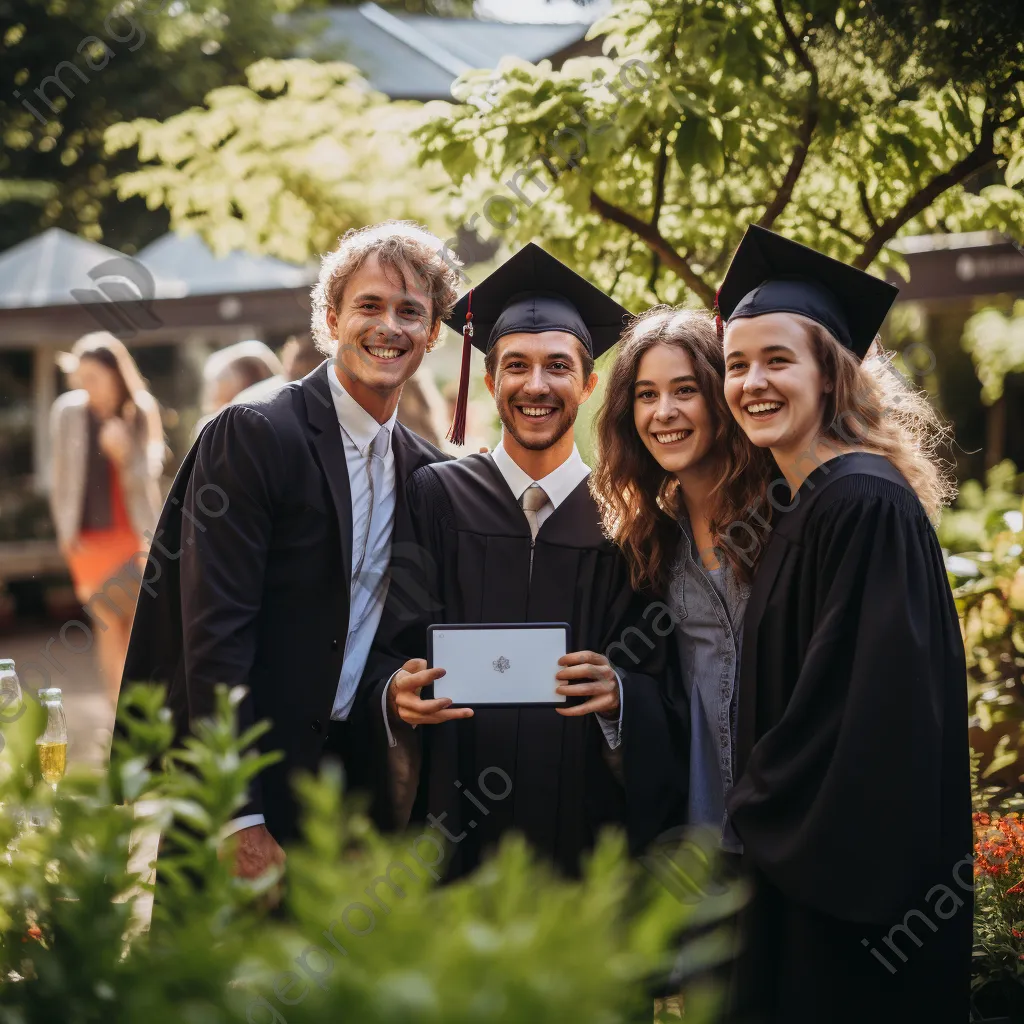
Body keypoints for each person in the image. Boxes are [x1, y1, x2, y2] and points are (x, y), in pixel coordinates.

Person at [119, 221, 460, 883]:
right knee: (218, 983)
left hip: (346, 786)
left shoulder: (421, 471)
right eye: (369, 306)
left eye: (410, 311)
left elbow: (382, 632)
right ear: (330, 320)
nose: (389, 325)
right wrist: (237, 816)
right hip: (247, 770)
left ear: (432, 335)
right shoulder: (257, 433)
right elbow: (214, 631)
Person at [361, 243, 687, 880]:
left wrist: (622, 696)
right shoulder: (434, 497)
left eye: (558, 367)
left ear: (588, 385)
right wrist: (392, 690)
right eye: (516, 366)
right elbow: (383, 638)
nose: (536, 386)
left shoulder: (628, 521)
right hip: (455, 836)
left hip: (587, 843)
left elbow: (667, 676)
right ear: (489, 382)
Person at [717, 226, 971, 1022]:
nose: (752, 382)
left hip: (845, 888)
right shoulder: (808, 501)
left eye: (777, 360)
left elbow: (872, 710)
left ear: (831, 375)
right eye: (735, 364)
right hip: (802, 874)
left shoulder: (862, 502)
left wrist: (754, 808)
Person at [591, 307, 771, 848]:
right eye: (646, 395)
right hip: (702, 833)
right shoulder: (648, 544)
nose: (663, 412)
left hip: (788, 825)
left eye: (684, 390)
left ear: (721, 398)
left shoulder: (784, 521)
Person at [49, 332, 165, 705]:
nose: (88, 387)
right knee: (109, 629)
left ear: (116, 375)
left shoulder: (141, 410)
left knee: (138, 629)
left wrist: (126, 453)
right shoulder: (69, 412)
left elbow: (147, 475)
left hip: (134, 537)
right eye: (81, 379)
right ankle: (119, 716)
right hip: (89, 543)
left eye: (95, 378)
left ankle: (136, 712)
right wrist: (65, 536)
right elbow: (60, 479)